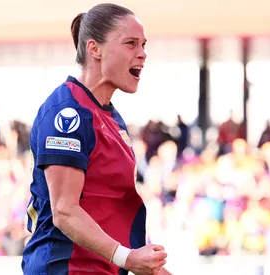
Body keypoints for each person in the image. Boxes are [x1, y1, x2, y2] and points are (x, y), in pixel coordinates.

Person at [21, 3, 171, 275]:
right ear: (94, 49)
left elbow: (110, 210)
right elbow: (65, 211)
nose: (143, 54)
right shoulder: (67, 113)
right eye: (131, 43)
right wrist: (128, 258)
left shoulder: (111, 118)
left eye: (144, 45)